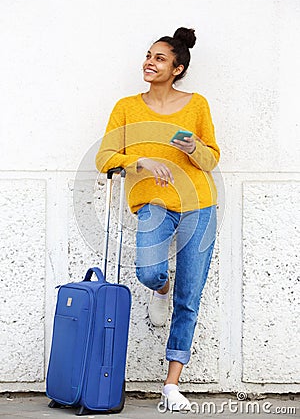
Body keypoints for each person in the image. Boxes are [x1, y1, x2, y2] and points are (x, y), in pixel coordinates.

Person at [95, 27, 220, 412]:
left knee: (190, 297)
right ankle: (159, 290)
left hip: (199, 205)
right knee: (150, 272)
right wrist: (139, 161)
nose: (150, 62)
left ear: (178, 68)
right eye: (149, 55)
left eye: (160, 58)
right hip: (153, 204)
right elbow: (104, 158)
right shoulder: (127, 107)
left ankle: (171, 384)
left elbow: (212, 158)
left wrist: (193, 147)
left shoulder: (197, 105)